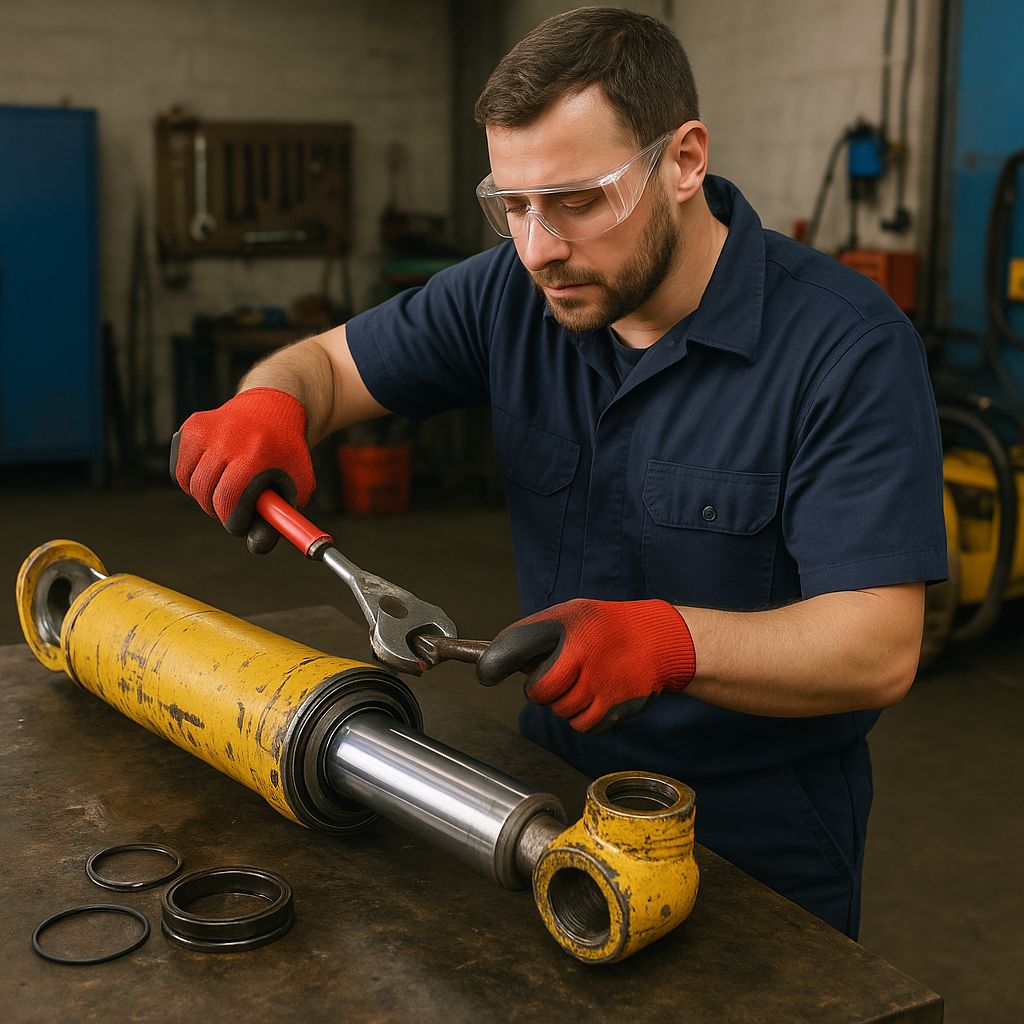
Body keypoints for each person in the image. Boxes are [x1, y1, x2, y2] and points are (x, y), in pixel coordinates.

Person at [171, 7, 946, 938]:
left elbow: (877, 645)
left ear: (684, 161)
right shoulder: (514, 291)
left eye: (577, 200)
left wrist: (667, 643)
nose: (538, 246)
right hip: (546, 789)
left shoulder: (845, 347)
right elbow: (327, 367)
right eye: (512, 204)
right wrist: (269, 404)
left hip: (754, 829)